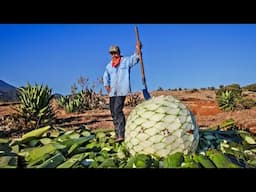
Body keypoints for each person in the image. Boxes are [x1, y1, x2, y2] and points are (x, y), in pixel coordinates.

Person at [103, 42, 142, 142]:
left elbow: (135, 58)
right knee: (113, 112)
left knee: (117, 110)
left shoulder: (125, 61)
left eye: (115, 53)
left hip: (122, 90)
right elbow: (105, 77)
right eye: (112, 53)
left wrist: (138, 48)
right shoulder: (109, 66)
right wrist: (107, 86)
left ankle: (121, 134)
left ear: (119, 53)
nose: (113, 55)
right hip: (113, 92)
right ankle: (117, 134)